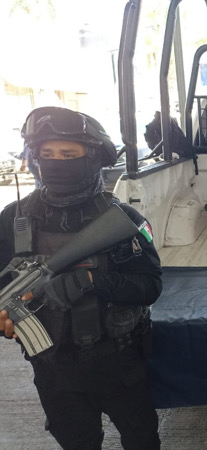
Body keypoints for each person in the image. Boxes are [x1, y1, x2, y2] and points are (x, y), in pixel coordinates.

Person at [0, 106, 162, 449]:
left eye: (68, 154)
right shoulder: (13, 219)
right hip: (52, 369)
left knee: (141, 438)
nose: (56, 163)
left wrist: (92, 282)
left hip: (118, 361)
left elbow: (150, 286)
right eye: (47, 154)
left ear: (92, 158)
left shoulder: (121, 219)